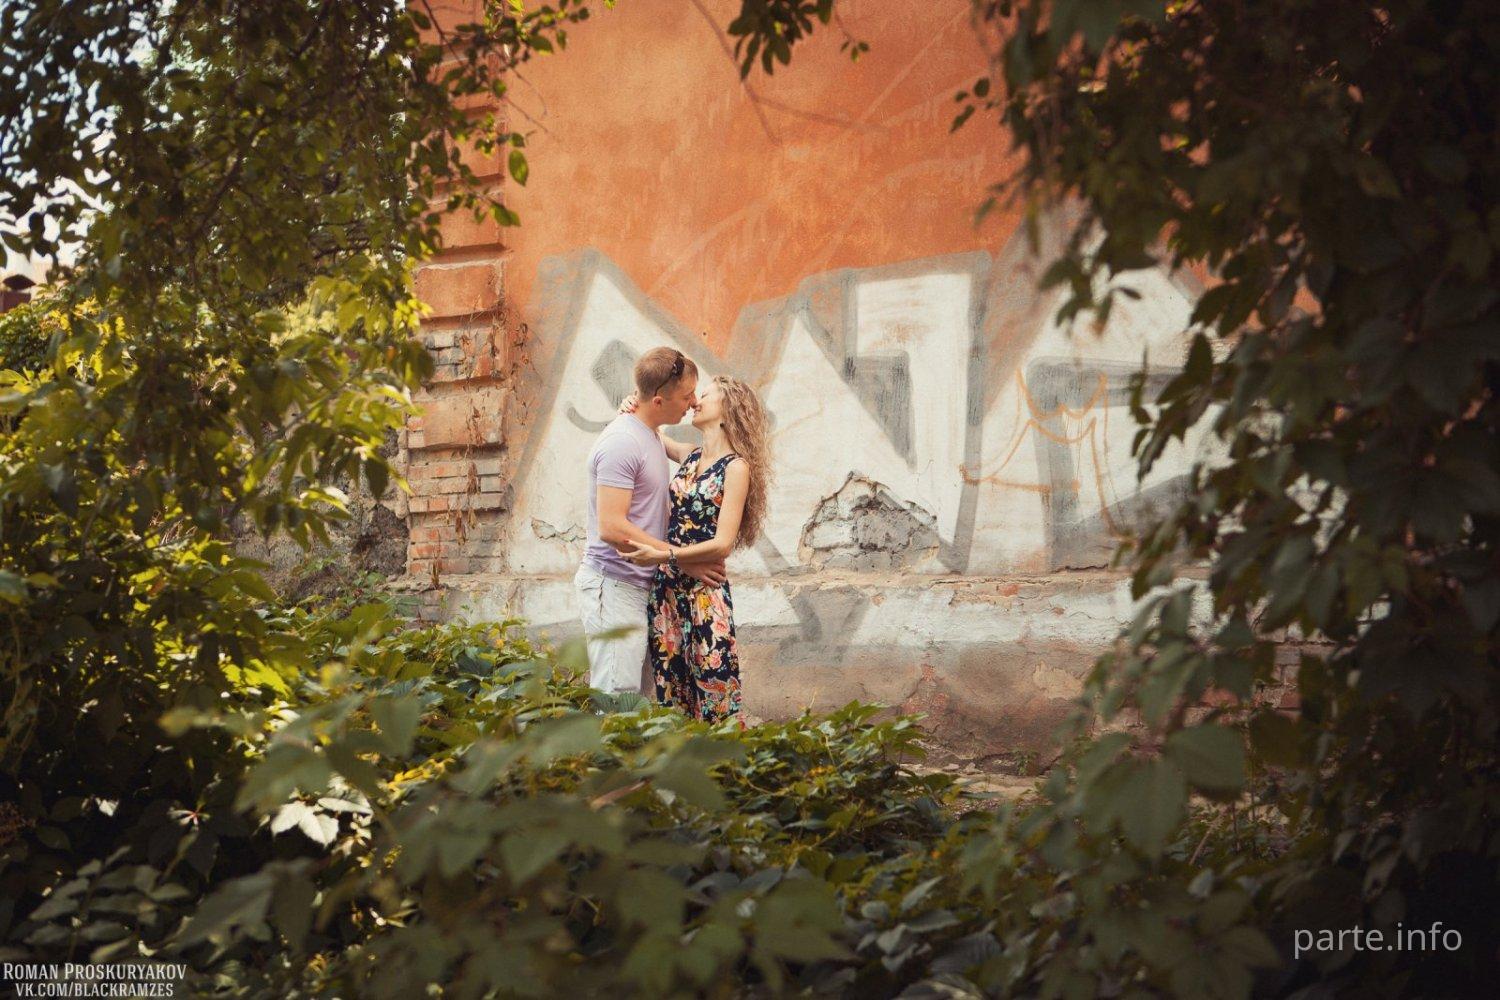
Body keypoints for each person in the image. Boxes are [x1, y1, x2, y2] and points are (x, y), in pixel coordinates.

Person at [620, 375, 772, 724]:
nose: (695, 402)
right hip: (667, 591)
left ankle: (725, 758)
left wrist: (665, 555)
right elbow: (651, 431)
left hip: (705, 592)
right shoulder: (690, 455)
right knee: (673, 692)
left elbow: (723, 543)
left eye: (705, 395)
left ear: (728, 408)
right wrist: (631, 407)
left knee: (716, 691)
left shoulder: (736, 467)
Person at [575, 348, 726, 696]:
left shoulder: (650, 433)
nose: (693, 403)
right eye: (687, 396)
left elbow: (701, 457)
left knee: (637, 700)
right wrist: (680, 560)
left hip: (640, 586)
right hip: (615, 585)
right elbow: (611, 528)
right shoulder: (622, 442)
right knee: (616, 696)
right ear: (658, 401)